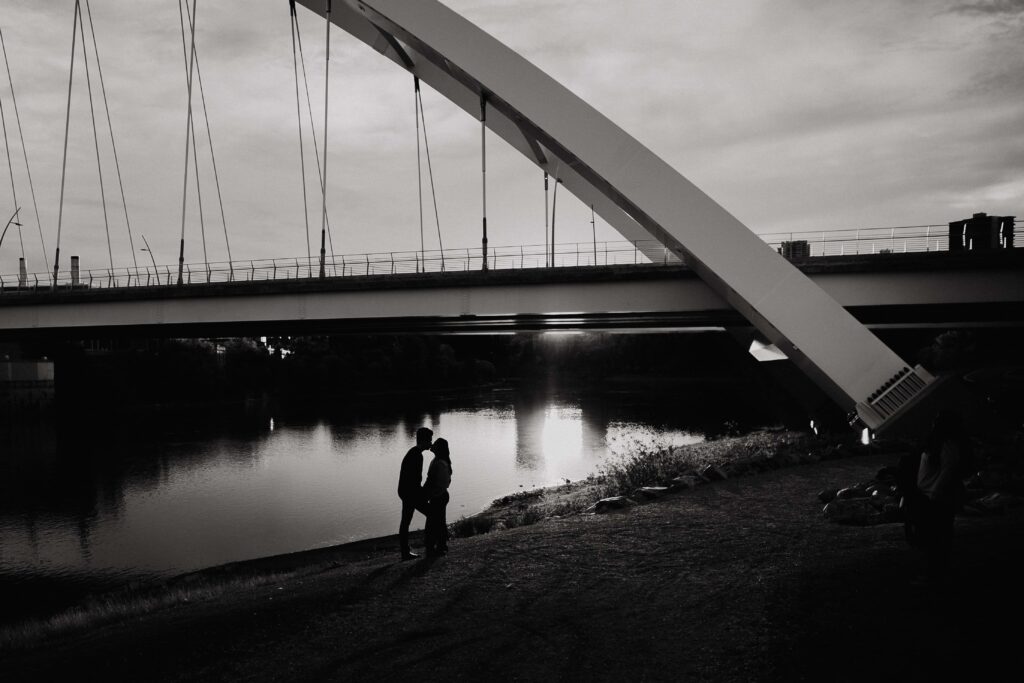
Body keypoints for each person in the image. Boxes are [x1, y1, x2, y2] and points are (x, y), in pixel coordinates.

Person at [913, 409, 970, 582]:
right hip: (931, 495)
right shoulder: (941, 444)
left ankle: (935, 574)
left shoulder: (946, 446)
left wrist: (935, 491)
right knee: (936, 537)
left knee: (936, 538)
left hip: (935, 497)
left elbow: (948, 470)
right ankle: (936, 573)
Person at [397, 427, 433, 560]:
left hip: (406, 491)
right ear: (423, 440)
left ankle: (405, 553)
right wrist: (423, 495)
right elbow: (415, 480)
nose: (431, 443)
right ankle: (430, 545)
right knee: (432, 514)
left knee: (405, 521)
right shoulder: (417, 455)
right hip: (409, 493)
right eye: (429, 440)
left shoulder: (414, 453)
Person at [423, 437, 453, 557]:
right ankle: (438, 546)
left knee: (434, 522)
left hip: (439, 496)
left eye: (434, 443)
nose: (432, 445)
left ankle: (436, 546)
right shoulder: (437, 460)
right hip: (438, 496)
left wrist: (432, 494)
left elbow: (443, 483)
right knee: (438, 521)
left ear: (439, 448)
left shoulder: (441, 463)